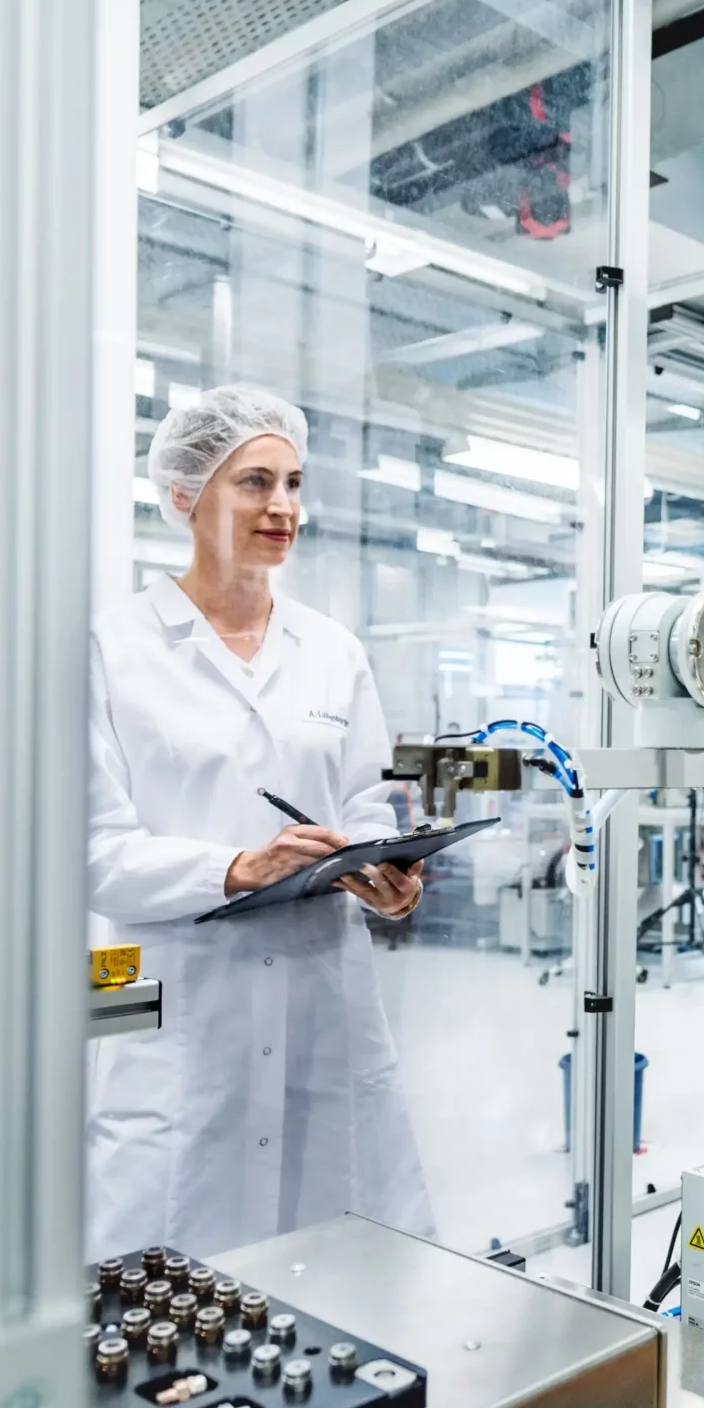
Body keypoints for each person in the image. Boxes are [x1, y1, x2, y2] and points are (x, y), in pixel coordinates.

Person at [85, 385, 434, 1261]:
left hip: (324, 995)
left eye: (292, 483)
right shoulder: (111, 647)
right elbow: (92, 853)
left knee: (338, 1273)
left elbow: (361, 806)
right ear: (184, 495)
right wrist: (239, 867)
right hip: (179, 1003)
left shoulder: (332, 651)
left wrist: (387, 879)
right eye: (253, 482)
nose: (281, 506)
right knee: (165, 1280)